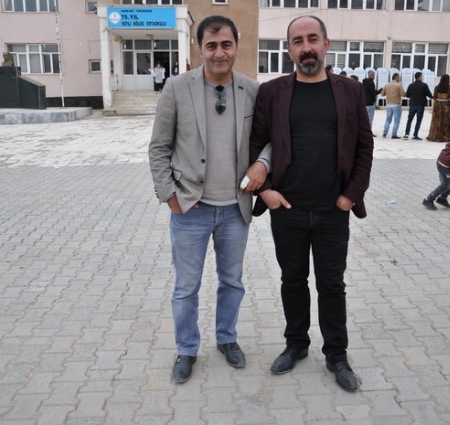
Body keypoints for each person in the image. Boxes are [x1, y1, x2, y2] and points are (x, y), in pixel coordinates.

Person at [249, 15, 374, 393]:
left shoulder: (350, 91)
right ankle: (296, 344)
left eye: (313, 39)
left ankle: (337, 354)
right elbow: (255, 145)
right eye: (298, 41)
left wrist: (350, 195)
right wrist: (265, 192)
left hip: (333, 210)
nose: (306, 47)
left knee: (332, 284)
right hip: (286, 208)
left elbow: (364, 146)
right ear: (289, 49)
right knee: (292, 280)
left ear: (326, 44)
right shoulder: (272, 92)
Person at [148, 15, 271, 384]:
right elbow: (158, 148)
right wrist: (169, 195)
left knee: (232, 282)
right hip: (190, 209)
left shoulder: (252, 90)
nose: (219, 53)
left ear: (236, 46)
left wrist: (263, 164)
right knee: (186, 287)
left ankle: (226, 338)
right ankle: (186, 349)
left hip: (235, 208)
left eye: (226, 45)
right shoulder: (176, 88)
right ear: (200, 48)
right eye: (211, 45)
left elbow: (270, 138)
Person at [403, 71, 433, 140]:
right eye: (422, 76)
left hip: (412, 104)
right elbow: (429, 94)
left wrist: (413, 96)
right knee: (418, 120)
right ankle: (415, 134)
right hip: (421, 105)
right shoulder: (424, 85)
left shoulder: (411, 85)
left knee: (409, 119)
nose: (422, 77)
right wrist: (433, 97)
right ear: (419, 77)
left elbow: (407, 95)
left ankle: (406, 134)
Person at [427, 74, 450, 143]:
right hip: (446, 106)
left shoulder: (437, 87)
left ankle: (436, 136)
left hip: (438, 106)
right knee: (445, 121)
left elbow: (434, 97)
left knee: (436, 120)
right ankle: (445, 136)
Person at [381, 73, 406, 139]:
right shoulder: (398, 85)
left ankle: (385, 133)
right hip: (396, 104)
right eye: (399, 77)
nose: (400, 78)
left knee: (388, 119)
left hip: (388, 104)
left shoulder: (387, 85)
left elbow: (382, 94)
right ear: (396, 77)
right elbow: (403, 94)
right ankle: (394, 134)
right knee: (396, 120)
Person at [362, 70, 381, 136]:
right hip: (370, 103)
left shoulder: (364, 82)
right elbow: (374, 92)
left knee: (364, 118)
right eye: (373, 75)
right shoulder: (371, 83)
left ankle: (363, 132)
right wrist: (380, 90)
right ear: (370, 75)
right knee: (370, 119)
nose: (374, 77)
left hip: (364, 103)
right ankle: (369, 132)